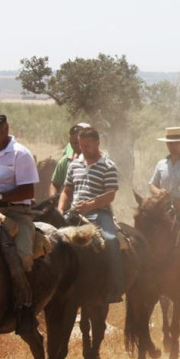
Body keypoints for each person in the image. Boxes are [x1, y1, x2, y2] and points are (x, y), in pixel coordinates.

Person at [0, 111, 41, 334]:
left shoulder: (20, 154)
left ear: (6, 129)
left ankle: (25, 310)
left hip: (17, 213)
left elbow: (29, 190)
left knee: (23, 258)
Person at [58, 127, 124, 304]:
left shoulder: (108, 166)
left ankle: (115, 286)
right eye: (81, 145)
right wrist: (60, 209)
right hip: (74, 213)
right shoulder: (74, 165)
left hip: (100, 213)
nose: (83, 149)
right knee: (52, 238)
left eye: (87, 145)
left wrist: (90, 205)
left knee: (110, 240)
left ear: (97, 143)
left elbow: (110, 195)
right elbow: (66, 190)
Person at [51, 122, 91, 193]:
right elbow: (55, 184)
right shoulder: (66, 161)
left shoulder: (101, 161)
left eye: (78, 142)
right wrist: (54, 199)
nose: (77, 146)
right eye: (73, 143)